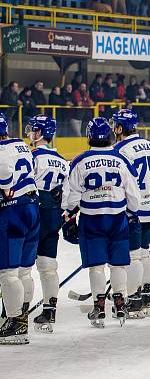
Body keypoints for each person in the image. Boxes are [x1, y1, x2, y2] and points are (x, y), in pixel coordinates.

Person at [62, 117, 140, 328]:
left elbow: (72, 194)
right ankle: (121, 303)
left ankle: (99, 306)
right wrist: (133, 215)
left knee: (96, 265)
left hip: (92, 219)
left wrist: (69, 218)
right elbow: (133, 194)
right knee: (118, 264)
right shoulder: (121, 159)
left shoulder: (80, 161)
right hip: (117, 218)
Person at [111, 109, 150, 316]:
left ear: (121, 128)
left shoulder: (120, 150)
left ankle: (134, 299)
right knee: (144, 252)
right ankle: (146, 295)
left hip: (134, 208)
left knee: (133, 255)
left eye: (115, 125)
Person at [0, 112, 39, 344]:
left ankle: (16, 322)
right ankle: (20, 316)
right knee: (25, 271)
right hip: (33, 208)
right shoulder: (21, 145)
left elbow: (5, 174)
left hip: (13, 210)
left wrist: (4, 187)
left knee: (7, 271)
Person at [25, 116, 67, 333]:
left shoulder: (33, 157)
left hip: (33, 213)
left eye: (33, 129)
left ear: (41, 133)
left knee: (22, 267)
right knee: (48, 265)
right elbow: (66, 194)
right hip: (53, 215)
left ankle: (18, 313)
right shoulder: (61, 159)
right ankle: (50, 311)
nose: (30, 133)